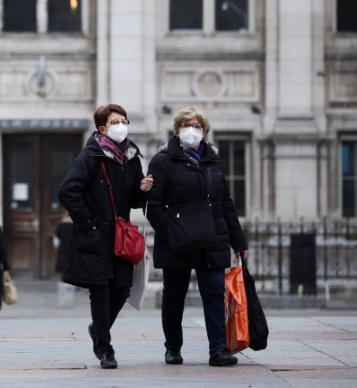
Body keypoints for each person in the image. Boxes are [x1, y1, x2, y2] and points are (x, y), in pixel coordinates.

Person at [146, 106, 248, 367]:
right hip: (177, 241)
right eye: (185, 125)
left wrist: (238, 241)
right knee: (174, 296)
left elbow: (225, 203)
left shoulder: (213, 160)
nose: (191, 130)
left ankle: (218, 349)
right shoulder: (163, 160)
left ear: (205, 131)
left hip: (211, 238)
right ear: (177, 130)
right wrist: (169, 231)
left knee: (214, 294)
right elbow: (153, 205)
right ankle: (173, 348)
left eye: (197, 126)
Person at [57, 104, 154, 369]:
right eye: (116, 122)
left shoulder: (132, 158)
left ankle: (97, 329)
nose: (122, 125)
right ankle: (105, 349)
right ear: (103, 128)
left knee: (122, 289)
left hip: (120, 237)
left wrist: (143, 189)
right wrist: (89, 223)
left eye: (124, 120)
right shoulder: (89, 157)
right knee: (100, 291)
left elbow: (134, 200)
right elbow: (68, 192)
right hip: (96, 236)